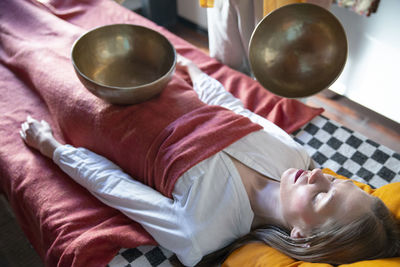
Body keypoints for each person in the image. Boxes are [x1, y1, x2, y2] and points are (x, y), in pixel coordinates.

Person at [19, 56, 399, 266]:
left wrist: (54, 149)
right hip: (173, 91)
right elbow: (231, 108)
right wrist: (195, 72)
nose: (318, 175)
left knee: (32, 57)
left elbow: (117, 188)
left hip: (110, 121)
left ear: (301, 235)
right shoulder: (294, 155)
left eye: (321, 197)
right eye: (334, 180)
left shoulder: (203, 231)